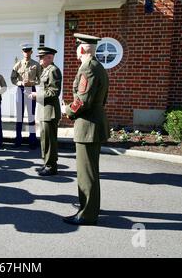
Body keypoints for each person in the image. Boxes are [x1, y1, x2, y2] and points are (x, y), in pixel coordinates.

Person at [62, 33, 109, 226]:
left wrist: (67, 110)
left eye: (77, 47)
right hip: (93, 124)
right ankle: (88, 208)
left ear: (82, 49)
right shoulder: (98, 66)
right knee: (90, 172)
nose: (76, 51)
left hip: (88, 126)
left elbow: (82, 101)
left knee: (86, 174)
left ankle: (87, 214)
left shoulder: (88, 68)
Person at [28, 47, 62, 176]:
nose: (40, 59)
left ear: (50, 57)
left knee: (50, 140)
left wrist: (37, 95)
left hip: (50, 111)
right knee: (44, 140)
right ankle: (47, 164)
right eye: (39, 57)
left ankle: (51, 166)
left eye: (42, 57)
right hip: (44, 110)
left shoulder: (53, 71)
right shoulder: (45, 70)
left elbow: (54, 92)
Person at [11, 43, 42, 149]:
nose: (26, 53)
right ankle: (18, 139)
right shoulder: (18, 65)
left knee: (31, 116)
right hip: (20, 90)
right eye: (24, 51)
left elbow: (40, 79)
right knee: (19, 116)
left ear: (31, 52)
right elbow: (13, 78)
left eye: (28, 51)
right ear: (22, 52)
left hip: (31, 90)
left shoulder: (36, 65)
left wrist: (31, 83)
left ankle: (32, 140)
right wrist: (20, 83)